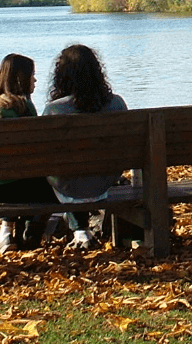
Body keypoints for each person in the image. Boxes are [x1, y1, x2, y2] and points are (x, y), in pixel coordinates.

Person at [0, 53, 58, 253]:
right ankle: (32, 232)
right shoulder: (23, 107)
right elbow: (35, 153)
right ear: (21, 78)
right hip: (9, 187)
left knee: (18, 177)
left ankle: (6, 232)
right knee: (55, 186)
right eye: (32, 75)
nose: (35, 80)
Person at [43, 44, 128, 250]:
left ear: (61, 76)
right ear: (97, 72)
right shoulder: (116, 104)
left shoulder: (54, 110)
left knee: (66, 171)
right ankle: (81, 230)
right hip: (104, 181)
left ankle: (79, 230)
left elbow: (45, 154)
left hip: (66, 185)